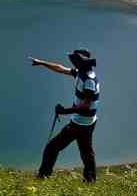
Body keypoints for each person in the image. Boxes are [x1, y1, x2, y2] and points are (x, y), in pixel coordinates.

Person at [29, 49, 100, 182]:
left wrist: (64, 111)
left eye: (74, 61)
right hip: (88, 122)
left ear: (80, 63)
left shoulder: (88, 80)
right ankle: (90, 180)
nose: (72, 63)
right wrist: (41, 63)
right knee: (86, 152)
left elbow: (86, 105)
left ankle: (43, 176)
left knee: (52, 147)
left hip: (80, 123)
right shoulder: (82, 73)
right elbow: (60, 69)